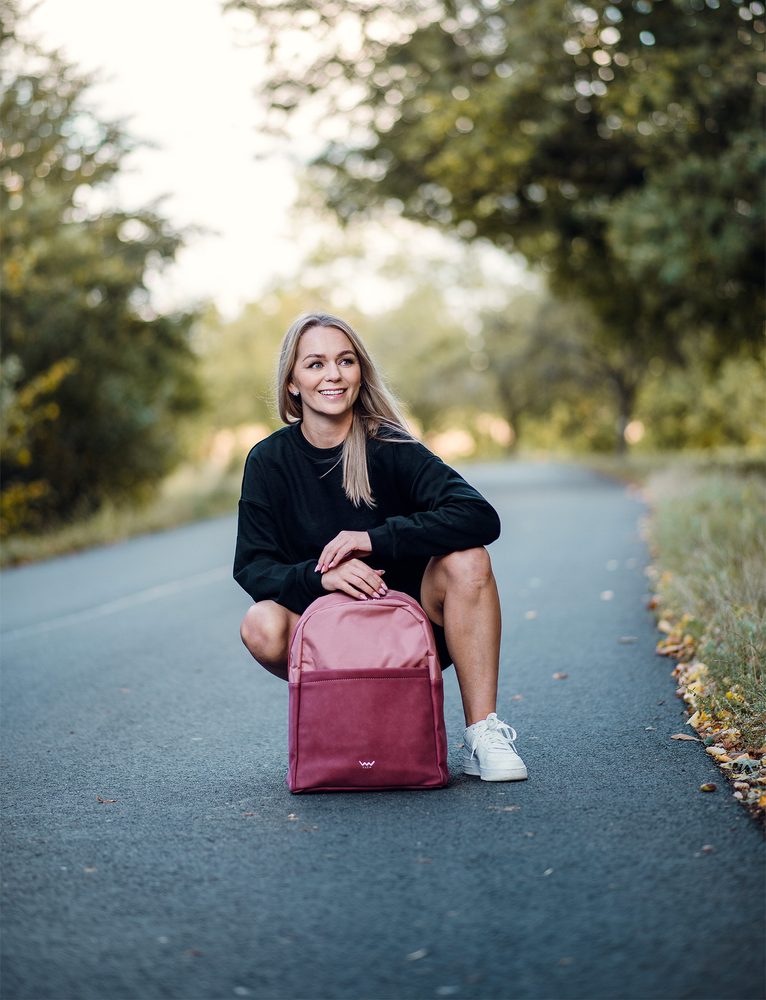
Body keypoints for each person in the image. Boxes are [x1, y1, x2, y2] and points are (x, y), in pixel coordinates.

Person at [233, 311, 527, 782]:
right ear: (292, 382)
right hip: (327, 641)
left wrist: (374, 539)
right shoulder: (269, 460)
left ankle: (481, 735)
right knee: (260, 622)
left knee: (470, 560)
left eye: (345, 361)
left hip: (410, 635)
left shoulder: (389, 444)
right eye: (315, 364)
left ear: (359, 372)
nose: (333, 374)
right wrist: (323, 577)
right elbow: (253, 566)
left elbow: (479, 516)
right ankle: (341, 709)